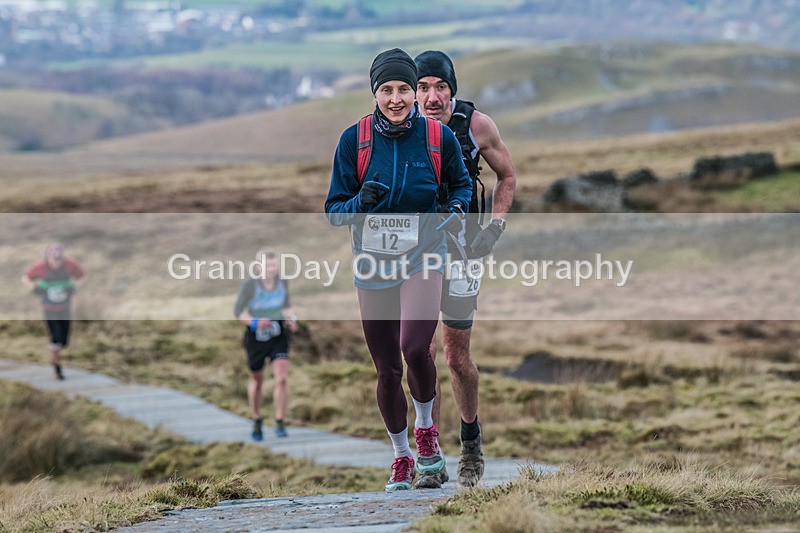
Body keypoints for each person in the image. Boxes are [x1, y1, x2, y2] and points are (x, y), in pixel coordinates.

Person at [325, 48, 472, 491]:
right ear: (375, 92)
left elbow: (461, 183)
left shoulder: (436, 138)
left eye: (404, 89)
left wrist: (455, 208)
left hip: (423, 254)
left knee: (414, 348)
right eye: (386, 90)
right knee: (386, 368)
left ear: (414, 91)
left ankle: (426, 431)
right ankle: (401, 456)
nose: (396, 98)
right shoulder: (355, 140)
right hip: (373, 262)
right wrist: (359, 204)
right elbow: (334, 211)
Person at [415, 50, 517, 488]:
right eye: (423, 87)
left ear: (452, 90)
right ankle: (429, 456)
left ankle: (471, 447)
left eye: (441, 87)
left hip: (462, 252)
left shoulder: (476, 126)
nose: (432, 96)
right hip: (415, 256)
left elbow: (507, 176)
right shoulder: (399, 124)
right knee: (421, 356)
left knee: (456, 358)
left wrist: (494, 228)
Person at [234, 248, 298, 440]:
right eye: (268, 264)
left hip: (278, 336)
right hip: (256, 339)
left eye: (274, 264)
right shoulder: (250, 286)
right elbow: (238, 312)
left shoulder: (283, 283)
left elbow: (286, 306)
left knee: (282, 378)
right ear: (258, 266)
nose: (272, 268)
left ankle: (279, 421)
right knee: (257, 379)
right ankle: (257, 418)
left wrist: (291, 318)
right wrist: (254, 322)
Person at [21, 243, 87, 380]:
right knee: (56, 337)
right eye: (54, 258)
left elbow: (82, 276)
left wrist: (75, 286)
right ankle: (56, 367)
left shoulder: (70, 265)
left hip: (65, 308)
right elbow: (25, 277)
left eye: (59, 258)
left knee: (64, 341)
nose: (57, 261)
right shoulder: (41, 267)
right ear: (48, 258)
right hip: (49, 309)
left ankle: (55, 355)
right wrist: (33, 287)